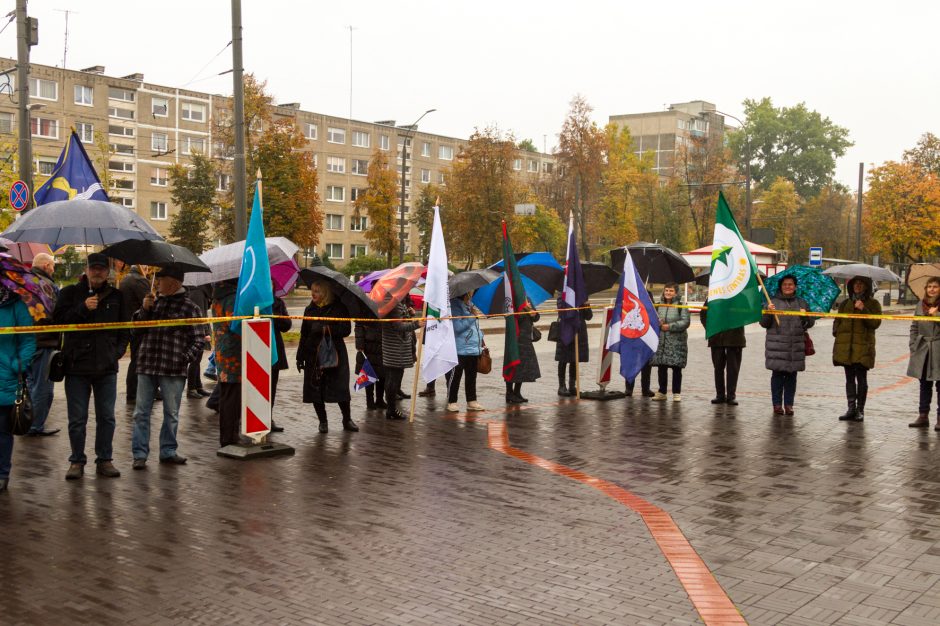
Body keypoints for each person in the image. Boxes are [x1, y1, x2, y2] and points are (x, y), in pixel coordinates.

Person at [53, 253, 129, 479]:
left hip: (106, 368)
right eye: (93, 268)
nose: (97, 272)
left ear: (108, 271)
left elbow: (125, 328)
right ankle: (76, 460)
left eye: (101, 269)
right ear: (86, 269)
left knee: (107, 417)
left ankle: (105, 459)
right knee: (77, 418)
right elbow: (58, 323)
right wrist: (83, 308)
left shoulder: (117, 296)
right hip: (77, 366)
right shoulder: (69, 293)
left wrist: (116, 353)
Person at [130, 267, 205, 468]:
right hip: (147, 365)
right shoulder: (153, 303)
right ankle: (139, 454)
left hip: (173, 369)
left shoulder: (190, 308)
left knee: (171, 413)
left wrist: (183, 359)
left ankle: (168, 451)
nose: (157, 283)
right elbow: (135, 330)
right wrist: (144, 310)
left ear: (173, 283)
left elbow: (199, 340)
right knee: (141, 412)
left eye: (160, 280)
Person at [298, 279, 357, 433]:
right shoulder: (309, 310)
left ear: (325, 292)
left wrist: (325, 328)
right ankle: (323, 421)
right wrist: (300, 356)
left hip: (335, 354)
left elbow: (346, 330)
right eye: (312, 290)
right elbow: (304, 334)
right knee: (315, 390)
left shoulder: (339, 308)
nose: (313, 294)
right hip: (313, 355)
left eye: (317, 291)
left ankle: (347, 419)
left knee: (340, 388)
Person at [760, 275, 815, 415]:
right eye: (785, 284)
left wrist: (806, 316)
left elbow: (810, 323)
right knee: (777, 376)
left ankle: (789, 404)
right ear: (781, 286)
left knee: (792, 377)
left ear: (795, 287)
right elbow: (764, 323)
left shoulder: (802, 303)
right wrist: (768, 311)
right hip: (777, 346)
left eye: (790, 284)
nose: (788, 287)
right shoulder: (771, 302)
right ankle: (777, 405)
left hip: (795, 346)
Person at [0, 284, 36, 492]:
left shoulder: (15, 306)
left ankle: (2, 473)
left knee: (3, 430)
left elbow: (28, 340)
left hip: (6, 377)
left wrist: (18, 365)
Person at [832, 276, 882, 422]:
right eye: (855, 284)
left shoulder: (873, 304)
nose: (857, 286)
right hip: (846, 348)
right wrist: (837, 331)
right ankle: (851, 408)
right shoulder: (845, 303)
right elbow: (838, 320)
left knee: (861, 379)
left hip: (863, 348)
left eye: (861, 284)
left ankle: (860, 410)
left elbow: (875, 323)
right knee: (849, 379)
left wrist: (863, 309)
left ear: (866, 286)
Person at [25, 252, 61, 435]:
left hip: (25, 342)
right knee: (43, 388)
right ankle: (35, 425)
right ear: (46, 266)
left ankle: (25, 421)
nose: (53, 270)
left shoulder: (23, 282)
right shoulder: (46, 285)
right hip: (44, 341)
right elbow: (56, 311)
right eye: (53, 266)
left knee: (30, 385)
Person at [212, 279, 241, 447]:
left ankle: (227, 436)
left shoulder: (217, 297)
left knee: (226, 395)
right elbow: (234, 324)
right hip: (233, 354)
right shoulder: (231, 298)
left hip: (222, 352)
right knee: (232, 397)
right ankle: (229, 438)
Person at [908, 276, 940, 429]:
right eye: (929, 287)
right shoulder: (920, 305)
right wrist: (913, 345)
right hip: (923, 349)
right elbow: (914, 326)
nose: (932, 289)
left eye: (935, 286)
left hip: (938, 349)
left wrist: (937, 316)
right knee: (924, 384)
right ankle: (923, 415)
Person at [700, 299, 746, 405]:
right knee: (718, 368)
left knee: (733, 369)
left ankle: (731, 396)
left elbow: (746, 313)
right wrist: (710, 328)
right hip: (716, 338)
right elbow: (703, 313)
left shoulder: (740, 295)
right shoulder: (714, 295)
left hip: (735, 338)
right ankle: (720, 395)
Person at [381, 300, 421, 420]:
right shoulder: (393, 304)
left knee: (392, 379)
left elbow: (400, 321)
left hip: (394, 347)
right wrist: (416, 324)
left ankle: (391, 409)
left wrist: (410, 315)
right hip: (395, 348)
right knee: (392, 379)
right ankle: (391, 410)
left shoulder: (394, 303)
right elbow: (398, 326)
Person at [445, 291, 485, 412]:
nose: (472, 293)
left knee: (471, 377)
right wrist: (473, 316)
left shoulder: (469, 304)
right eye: (470, 291)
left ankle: (471, 401)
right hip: (460, 348)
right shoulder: (454, 305)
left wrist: (481, 339)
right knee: (456, 377)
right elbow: (457, 327)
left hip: (473, 348)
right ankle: (452, 401)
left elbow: (475, 326)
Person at [650, 283, 690, 402]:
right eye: (666, 290)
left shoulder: (681, 306)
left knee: (676, 368)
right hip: (662, 342)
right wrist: (657, 322)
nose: (668, 292)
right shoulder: (658, 305)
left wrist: (670, 326)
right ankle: (662, 392)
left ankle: (676, 393)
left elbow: (685, 322)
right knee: (662, 368)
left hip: (676, 343)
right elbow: (652, 319)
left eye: (671, 291)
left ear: (676, 293)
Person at [119, 263, 151, 405]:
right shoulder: (140, 281)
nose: (148, 268)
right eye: (146, 266)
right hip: (138, 325)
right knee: (138, 359)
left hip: (126, 323)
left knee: (135, 358)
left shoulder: (125, 279)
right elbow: (148, 304)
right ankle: (134, 393)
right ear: (142, 266)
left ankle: (132, 393)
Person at [554, 297, 592, 397]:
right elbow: (562, 313)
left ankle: (572, 385)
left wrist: (586, 305)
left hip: (579, 332)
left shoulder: (582, 295)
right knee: (563, 359)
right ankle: (561, 386)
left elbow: (589, 317)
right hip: (566, 330)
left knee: (575, 359)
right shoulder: (564, 294)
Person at [506, 301, 540, 404]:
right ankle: (509, 393)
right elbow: (512, 319)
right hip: (515, 339)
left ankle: (517, 392)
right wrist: (525, 310)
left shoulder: (527, 299)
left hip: (526, 340)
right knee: (512, 366)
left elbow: (536, 317)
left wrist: (533, 313)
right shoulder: (510, 300)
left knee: (523, 367)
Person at [185, 284, 213, 400]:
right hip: (197, 330)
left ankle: (197, 386)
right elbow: (200, 315)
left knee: (197, 358)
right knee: (195, 360)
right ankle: (191, 388)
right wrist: (205, 332)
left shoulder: (200, 291)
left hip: (197, 329)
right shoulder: (198, 292)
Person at [270, 291, 291, 433]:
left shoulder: (278, 302)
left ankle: (268, 418)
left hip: (274, 348)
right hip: (255, 348)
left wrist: (275, 317)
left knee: (272, 386)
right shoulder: (252, 300)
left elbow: (287, 325)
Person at [355, 318, 386, 410]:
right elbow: (358, 327)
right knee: (368, 375)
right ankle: (370, 401)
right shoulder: (363, 311)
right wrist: (360, 344)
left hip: (382, 345)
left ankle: (380, 400)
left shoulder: (384, 309)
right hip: (368, 347)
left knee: (382, 375)